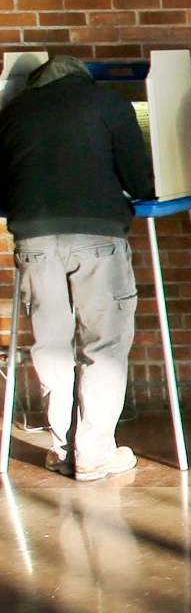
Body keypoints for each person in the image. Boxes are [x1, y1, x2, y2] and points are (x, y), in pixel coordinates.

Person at [0, 54, 155, 481]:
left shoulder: (13, 111)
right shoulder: (109, 104)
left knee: (50, 345)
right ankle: (94, 454)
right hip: (97, 237)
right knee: (102, 344)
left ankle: (62, 447)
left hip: (34, 241)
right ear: (82, 79)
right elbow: (141, 182)